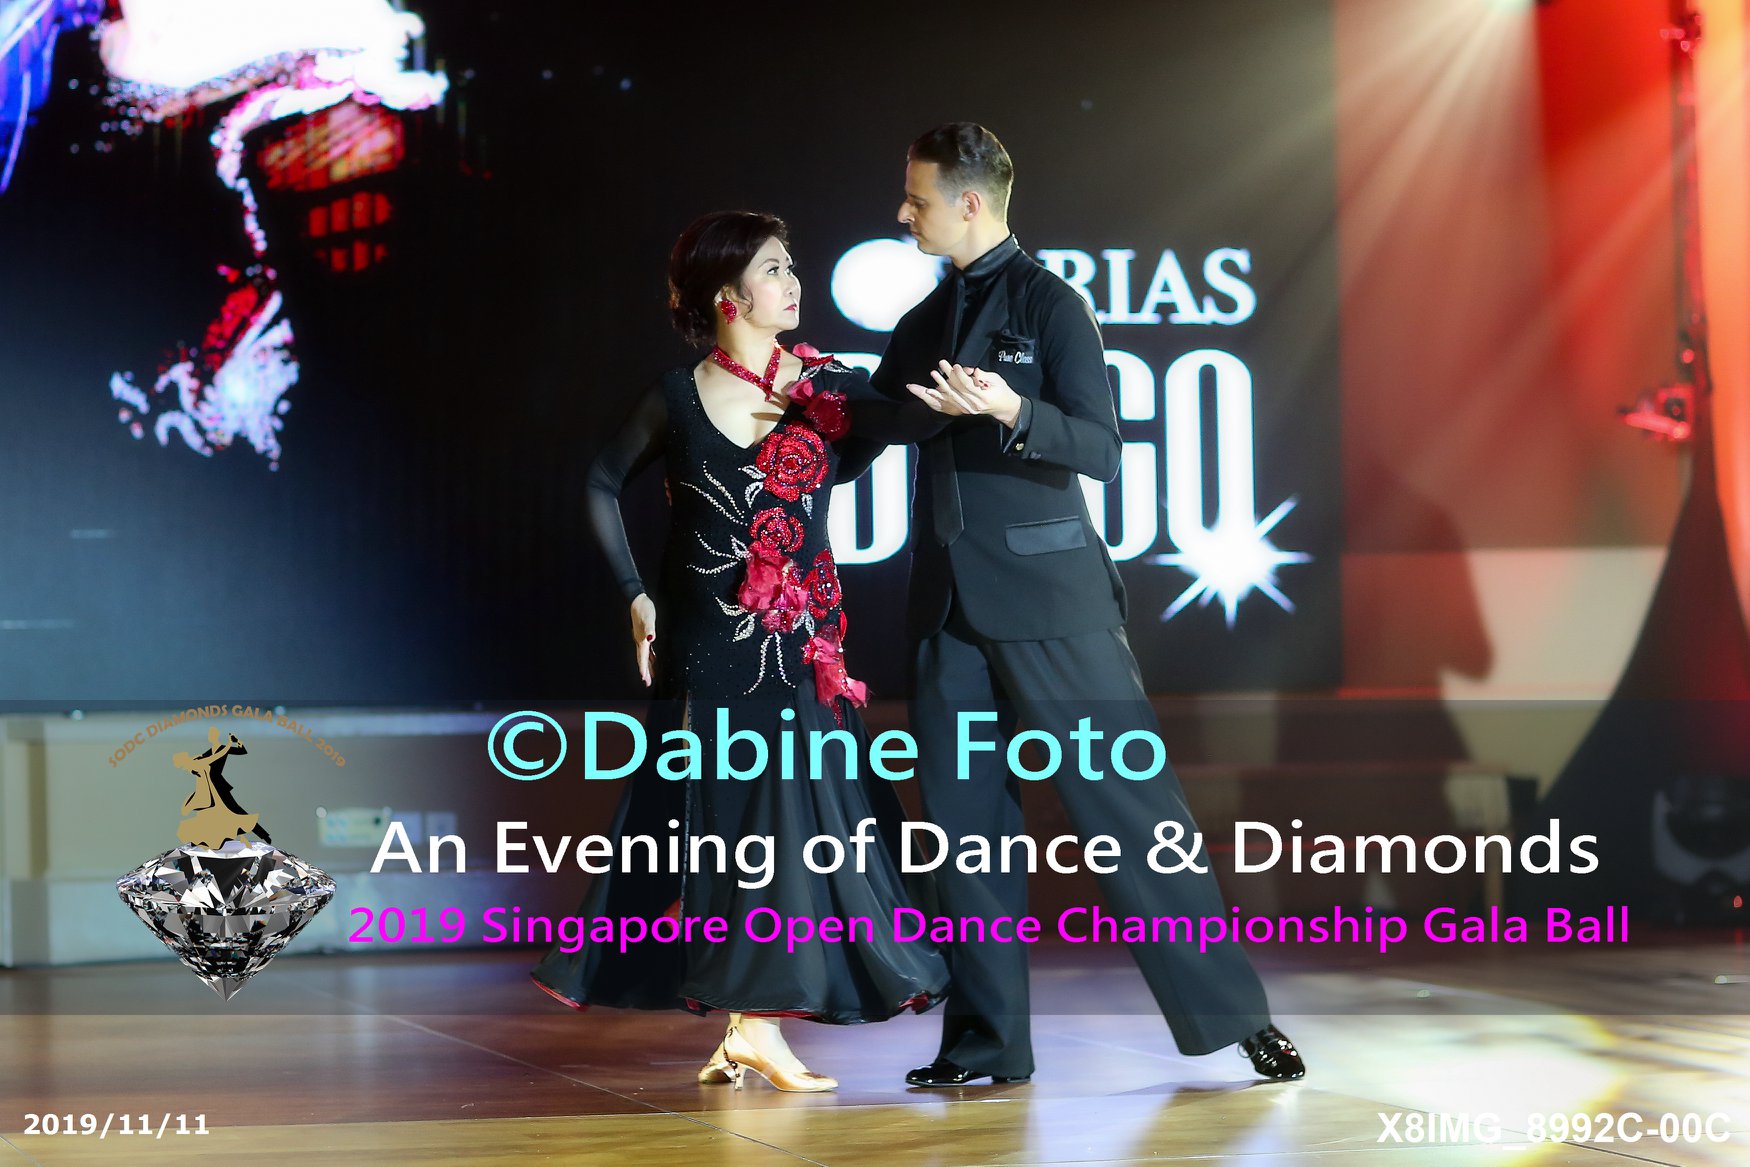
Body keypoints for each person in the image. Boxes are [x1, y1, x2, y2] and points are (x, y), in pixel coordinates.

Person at [866, 123, 1306, 1086]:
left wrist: (1010, 410)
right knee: (963, 834)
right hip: (947, 614)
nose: (903, 212)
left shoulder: (1052, 303)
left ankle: (1237, 1019)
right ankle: (986, 1041)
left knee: (1132, 813)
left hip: (1056, 603)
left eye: (917, 198)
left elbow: (1103, 450)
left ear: (969, 203)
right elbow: (870, 423)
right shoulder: (924, 319)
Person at [530, 210, 948, 1093]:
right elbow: (600, 483)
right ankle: (750, 1026)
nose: (794, 282)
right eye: (774, 268)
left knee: (801, 828)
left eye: (792, 265)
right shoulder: (676, 396)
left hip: (804, 641)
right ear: (728, 295)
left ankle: (748, 1027)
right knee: (729, 833)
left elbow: (899, 428)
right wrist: (635, 596)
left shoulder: (829, 384)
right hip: (707, 642)